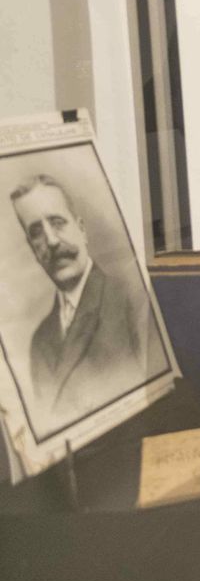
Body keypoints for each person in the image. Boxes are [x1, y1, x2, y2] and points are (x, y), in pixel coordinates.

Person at [10, 175, 163, 426]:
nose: (51, 241)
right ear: (32, 249)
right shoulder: (38, 342)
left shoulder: (132, 299)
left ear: (81, 228)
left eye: (58, 222)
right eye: (36, 232)